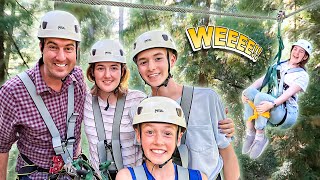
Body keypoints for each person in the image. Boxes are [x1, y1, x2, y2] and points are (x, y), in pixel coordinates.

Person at [130, 30, 240, 180]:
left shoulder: (207, 99)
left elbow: (227, 153)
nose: (151, 67)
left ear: (172, 60)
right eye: (143, 62)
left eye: (158, 58)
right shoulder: (140, 110)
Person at [0, 10, 86, 179]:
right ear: (41, 47)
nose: (61, 57)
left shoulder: (78, 79)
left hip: (72, 173)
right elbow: (1, 147)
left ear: (76, 50)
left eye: (68, 48)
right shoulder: (13, 92)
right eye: (53, 47)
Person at [84, 39, 146, 179]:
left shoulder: (138, 100)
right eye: (100, 68)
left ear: (122, 71)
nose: (107, 75)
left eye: (113, 68)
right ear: (92, 72)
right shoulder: (85, 100)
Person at [241, 39, 312, 159]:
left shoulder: (302, 75)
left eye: (301, 52)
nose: (296, 53)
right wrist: (245, 92)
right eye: (295, 49)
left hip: (286, 113)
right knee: (249, 92)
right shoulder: (279, 65)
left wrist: (272, 104)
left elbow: (288, 93)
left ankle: (260, 137)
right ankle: (250, 132)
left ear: (304, 57)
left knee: (260, 96)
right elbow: (262, 80)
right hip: (271, 105)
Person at [116, 96, 208, 180]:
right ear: (138, 135)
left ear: (179, 138)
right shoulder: (126, 177)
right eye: (150, 132)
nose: (158, 141)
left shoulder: (199, 178)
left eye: (167, 133)